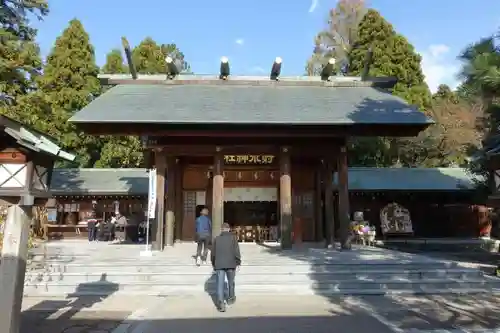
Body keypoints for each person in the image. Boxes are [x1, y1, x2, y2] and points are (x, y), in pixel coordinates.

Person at [211, 222, 241, 312]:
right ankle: (231, 298)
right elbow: (236, 251)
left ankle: (221, 303)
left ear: (221, 229)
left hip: (219, 264)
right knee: (231, 282)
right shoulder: (233, 238)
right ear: (228, 229)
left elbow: (213, 254)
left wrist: (214, 264)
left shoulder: (217, 239)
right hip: (231, 264)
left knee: (220, 284)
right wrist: (238, 262)